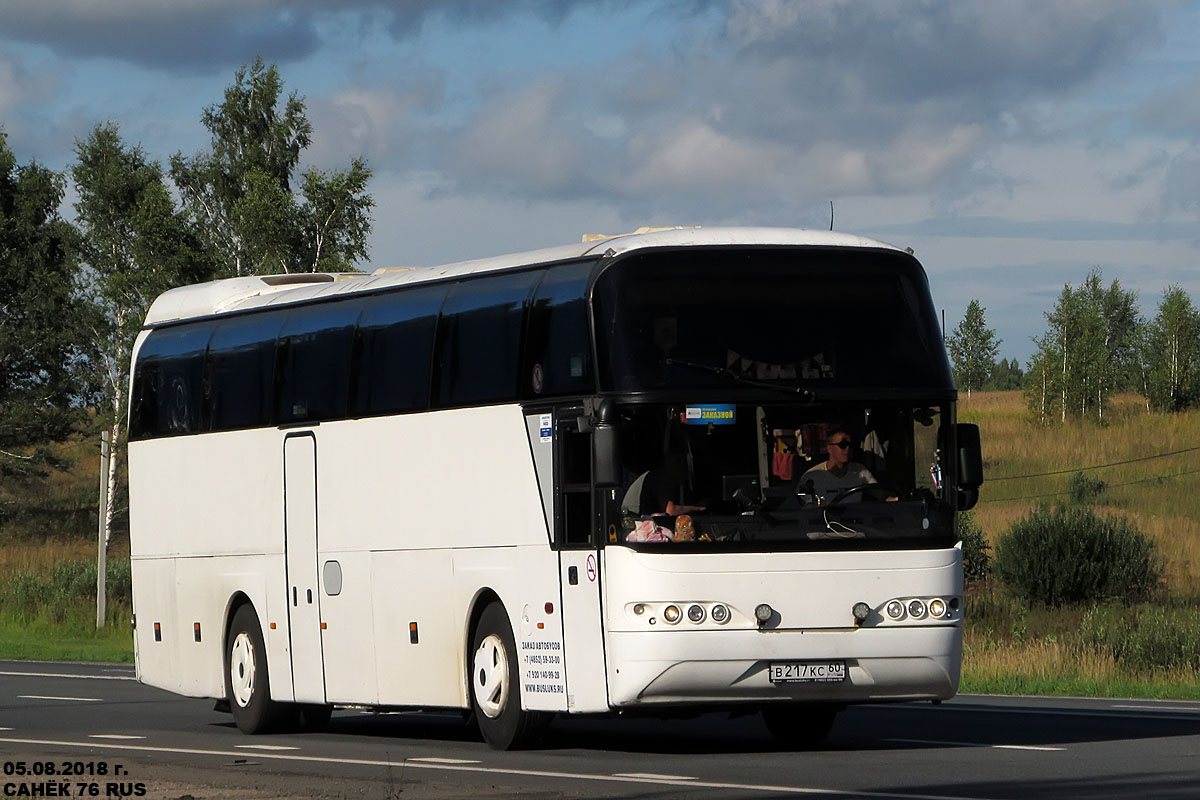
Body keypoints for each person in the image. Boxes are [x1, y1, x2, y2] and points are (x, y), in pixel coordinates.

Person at [800, 425, 876, 503]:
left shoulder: (861, 470)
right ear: (829, 448)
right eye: (843, 445)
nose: (848, 449)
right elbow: (799, 505)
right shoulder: (812, 476)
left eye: (851, 445)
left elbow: (880, 493)